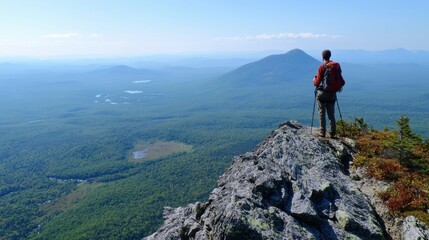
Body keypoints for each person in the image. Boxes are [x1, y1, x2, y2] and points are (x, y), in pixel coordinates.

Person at [313, 49, 343, 138]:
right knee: (331, 114)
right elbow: (341, 80)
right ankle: (332, 133)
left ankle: (322, 132)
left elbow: (317, 83)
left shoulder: (322, 67)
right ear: (330, 56)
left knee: (322, 112)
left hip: (322, 93)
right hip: (332, 94)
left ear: (322, 57)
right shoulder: (335, 67)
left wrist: (314, 80)